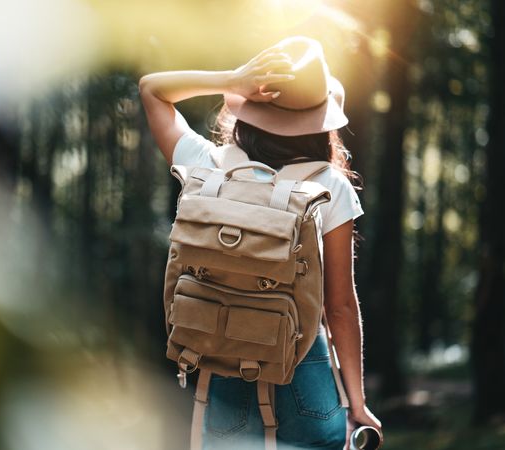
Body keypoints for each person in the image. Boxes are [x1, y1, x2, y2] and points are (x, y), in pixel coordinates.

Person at [139, 36, 382, 450]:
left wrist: (230, 79)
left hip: (221, 358)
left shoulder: (207, 167)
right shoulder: (330, 186)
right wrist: (357, 404)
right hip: (302, 365)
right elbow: (339, 305)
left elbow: (151, 89)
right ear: (321, 120)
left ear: (248, 106)